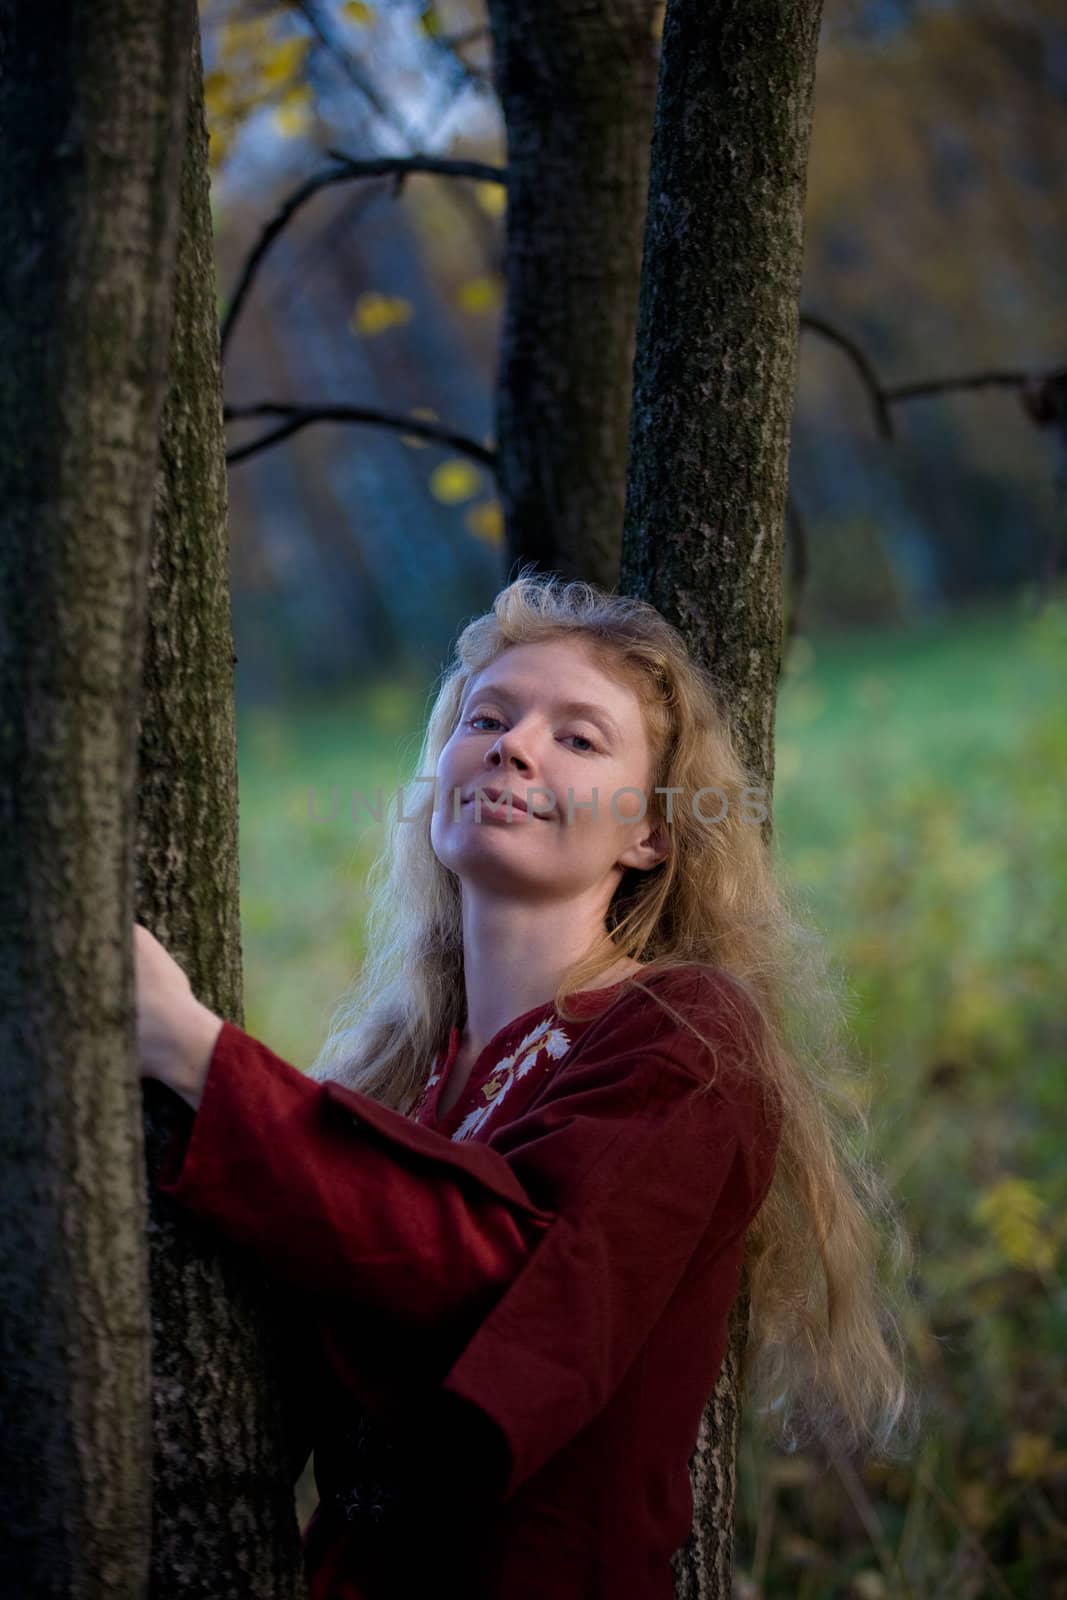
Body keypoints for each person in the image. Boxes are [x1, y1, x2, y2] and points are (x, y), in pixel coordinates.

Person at [134, 572, 918, 1599]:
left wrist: (195, 1054)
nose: (512, 745)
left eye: (578, 738)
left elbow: (500, 1290)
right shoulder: (407, 1074)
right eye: (487, 717)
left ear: (649, 833)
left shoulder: (684, 1044)